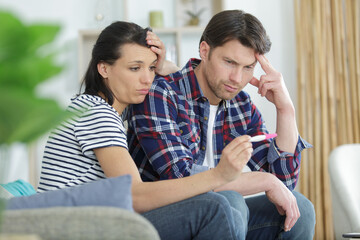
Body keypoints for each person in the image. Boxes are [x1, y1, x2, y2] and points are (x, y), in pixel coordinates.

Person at [36, 20, 253, 240]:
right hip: (74, 230)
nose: (147, 79)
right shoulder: (95, 112)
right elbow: (134, 195)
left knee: (226, 203)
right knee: (213, 207)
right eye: (134, 68)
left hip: (95, 223)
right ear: (104, 68)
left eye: (150, 68)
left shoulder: (98, 110)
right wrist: (219, 175)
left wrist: (168, 67)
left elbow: (185, 97)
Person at [127, 10, 316, 239]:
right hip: (155, 218)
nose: (237, 78)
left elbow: (284, 182)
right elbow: (181, 179)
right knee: (229, 202)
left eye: (248, 67)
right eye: (229, 62)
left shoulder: (241, 105)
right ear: (205, 51)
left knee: (299, 208)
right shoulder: (162, 94)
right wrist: (266, 180)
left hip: (218, 215)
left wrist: (286, 110)